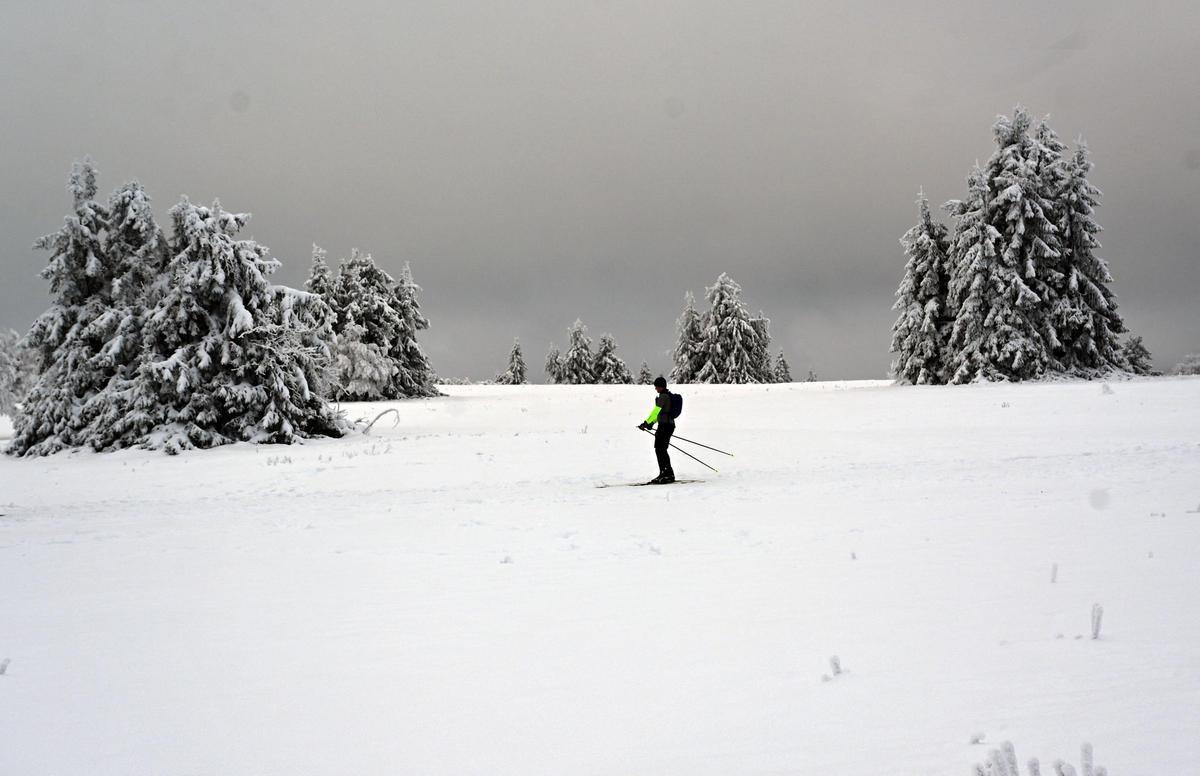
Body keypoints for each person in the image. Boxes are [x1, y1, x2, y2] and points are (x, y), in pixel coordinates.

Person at [637, 376, 675, 484]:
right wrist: (649, 424)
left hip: (665, 426)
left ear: (661, 387)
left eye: (657, 387)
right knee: (661, 449)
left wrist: (646, 423)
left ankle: (666, 474)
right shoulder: (665, 396)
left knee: (660, 449)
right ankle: (667, 473)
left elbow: (655, 412)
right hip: (666, 425)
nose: (655, 389)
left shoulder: (663, 397)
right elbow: (657, 415)